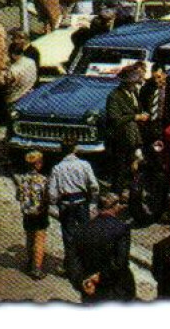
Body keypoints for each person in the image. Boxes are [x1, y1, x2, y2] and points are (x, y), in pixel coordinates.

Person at [48, 140, 100, 285]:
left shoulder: (57, 168)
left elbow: (52, 193)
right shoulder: (84, 165)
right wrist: (93, 202)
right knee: (85, 233)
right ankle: (87, 267)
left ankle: (71, 269)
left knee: (69, 236)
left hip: (65, 205)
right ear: (74, 149)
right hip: (82, 203)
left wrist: (55, 201)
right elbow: (94, 186)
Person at [78, 192, 136, 303]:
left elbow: (75, 259)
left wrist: (83, 281)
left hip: (91, 285)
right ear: (115, 206)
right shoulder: (122, 229)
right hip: (116, 285)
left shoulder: (85, 228)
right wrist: (102, 276)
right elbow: (121, 261)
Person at [106, 63, 148, 191]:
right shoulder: (114, 96)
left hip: (134, 135)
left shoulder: (134, 92)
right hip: (121, 137)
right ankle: (117, 191)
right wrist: (135, 117)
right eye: (132, 82)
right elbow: (115, 119)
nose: (134, 85)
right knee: (121, 168)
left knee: (134, 165)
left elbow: (137, 108)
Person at [15, 150, 50, 280]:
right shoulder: (43, 179)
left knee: (29, 238)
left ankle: (30, 262)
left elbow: (18, 196)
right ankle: (37, 268)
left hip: (27, 213)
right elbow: (48, 197)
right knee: (39, 239)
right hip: (40, 213)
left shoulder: (22, 179)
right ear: (38, 164)